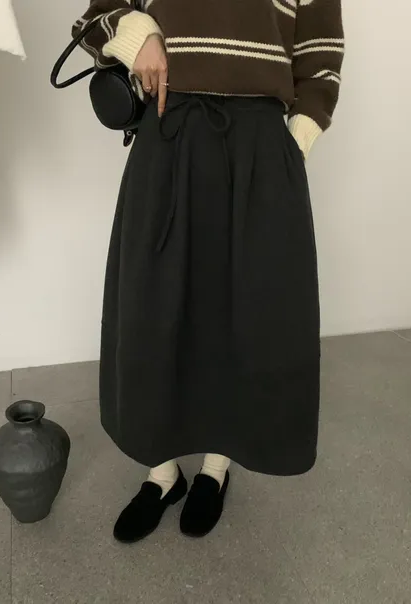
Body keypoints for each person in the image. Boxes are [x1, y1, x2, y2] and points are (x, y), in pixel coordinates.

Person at [72, 0, 344, 543]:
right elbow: (95, 18)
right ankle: (162, 473)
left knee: (242, 309)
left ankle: (216, 467)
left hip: (260, 146)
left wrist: (295, 139)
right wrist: (139, 35)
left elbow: (321, 54)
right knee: (152, 307)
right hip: (169, 128)